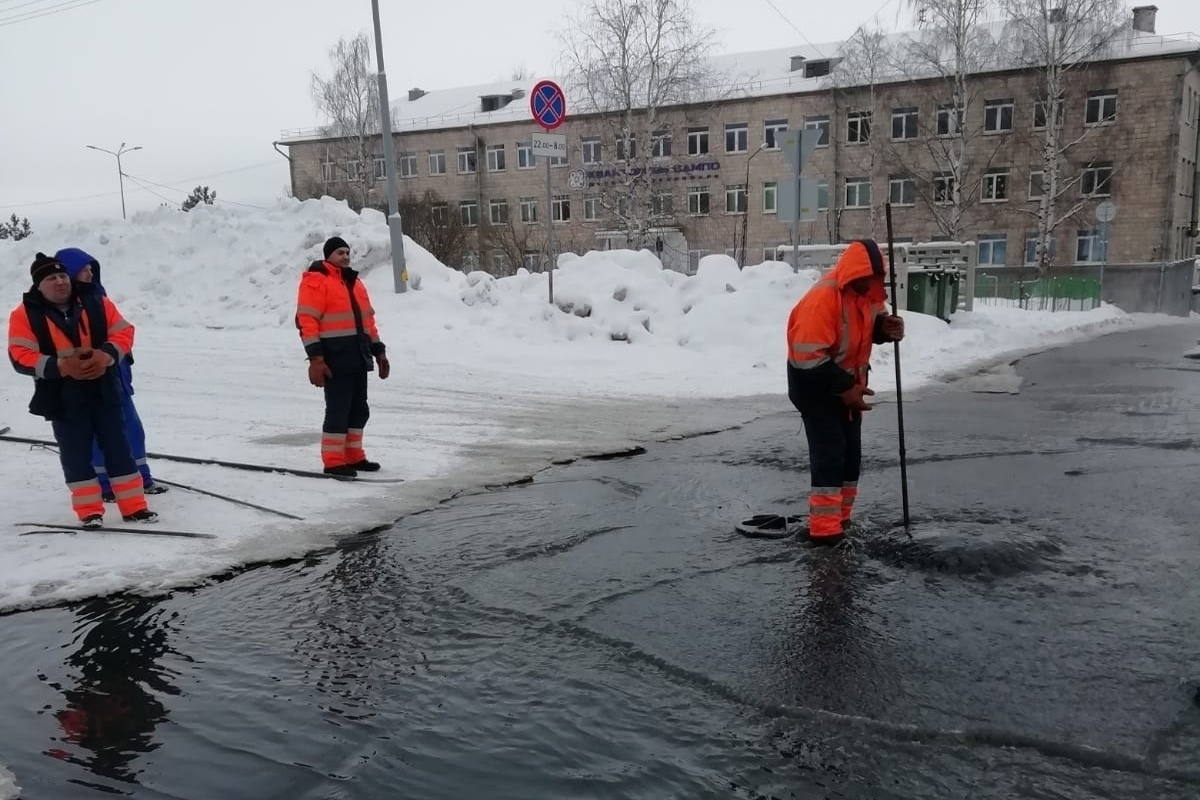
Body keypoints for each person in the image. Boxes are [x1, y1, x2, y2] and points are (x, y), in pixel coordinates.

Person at [7, 253, 158, 527]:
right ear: (38, 285)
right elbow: (19, 355)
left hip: (104, 389)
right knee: (76, 454)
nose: (60, 282)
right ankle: (89, 511)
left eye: (63, 276)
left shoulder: (96, 301)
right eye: (51, 278)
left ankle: (135, 507)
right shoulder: (25, 314)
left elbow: (124, 332)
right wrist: (61, 366)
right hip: (62, 396)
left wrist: (107, 356)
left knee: (119, 448)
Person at [786, 239, 904, 546]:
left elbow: (868, 327)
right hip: (813, 384)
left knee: (851, 457)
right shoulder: (823, 300)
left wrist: (885, 330)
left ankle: (840, 519)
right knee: (831, 454)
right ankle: (825, 533)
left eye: (876, 279)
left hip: (848, 383)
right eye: (867, 279)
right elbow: (806, 359)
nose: (872, 285)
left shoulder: (869, 293)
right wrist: (846, 388)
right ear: (855, 274)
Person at [54, 247, 168, 502]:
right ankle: (105, 485)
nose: (90, 273)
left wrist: (112, 354)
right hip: (87, 383)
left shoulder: (99, 298)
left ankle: (141, 478)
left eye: (91, 268)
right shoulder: (60, 309)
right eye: (84, 269)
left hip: (117, 377)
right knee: (97, 436)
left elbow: (123, 330)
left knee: (132, 429)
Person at [295, 236, 390, 476]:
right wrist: (316, 358)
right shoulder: (316, 282)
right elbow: (307, 321)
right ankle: (334, 461)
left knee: (359, 410)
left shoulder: (355, 284)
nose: (345, 257)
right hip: (334, 358)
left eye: (347, 252)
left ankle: (354, 456)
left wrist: (379, 351)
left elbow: (368, 321)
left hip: (358, 355)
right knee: (338, 410)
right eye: (340, 252)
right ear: (328, 256)